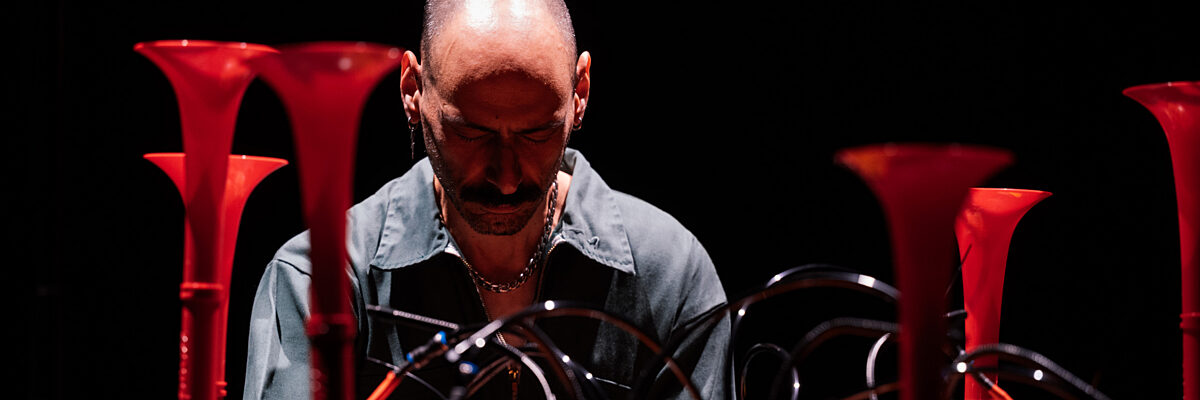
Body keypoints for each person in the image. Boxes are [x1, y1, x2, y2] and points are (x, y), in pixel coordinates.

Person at [244, 0, 731, 398]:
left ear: (579, 93)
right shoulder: (319, 277)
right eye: (470, 133)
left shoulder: (671, 273)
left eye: (537, 133)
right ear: (412, 90)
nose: (505, 177)